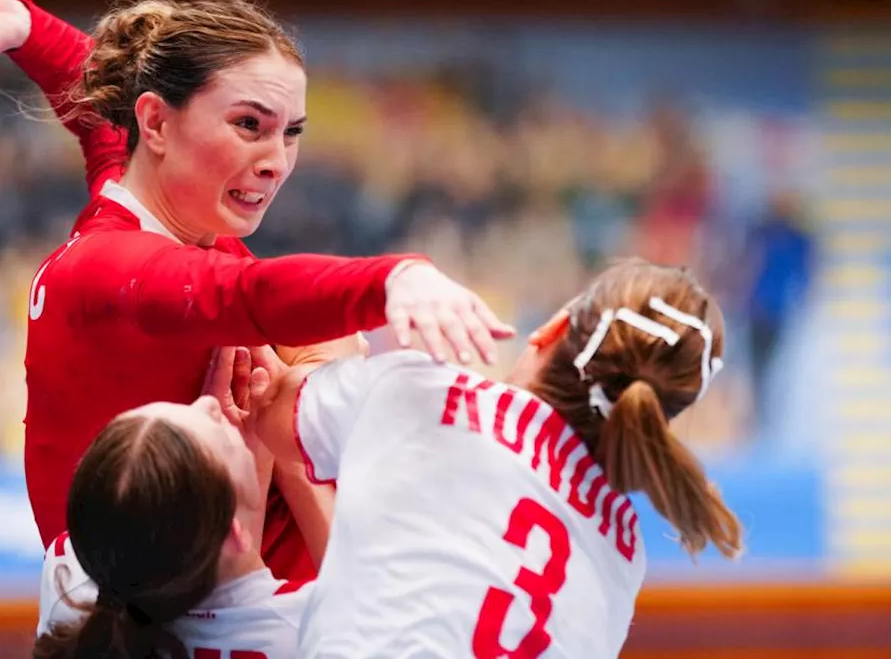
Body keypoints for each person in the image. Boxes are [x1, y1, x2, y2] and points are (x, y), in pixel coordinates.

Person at [0, 0, 514, 581]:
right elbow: (248, 295)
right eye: (250, 125)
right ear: (157, 122)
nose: (277, 161)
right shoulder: (109, 268)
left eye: (291, 132)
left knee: (321, 367)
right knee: (314, 369)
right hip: (170, 627)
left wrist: (26, 27)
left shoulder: (150, 196)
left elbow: (106, 112)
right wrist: (395, 277)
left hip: (238, 592)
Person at [249, 258, 743, 658]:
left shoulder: (434, 395)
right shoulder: (624, 552)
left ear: (552, 329)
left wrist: (332, 351)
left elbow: (270, 409)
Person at [33, 347, 314, 659]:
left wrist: (246, 474)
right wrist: (296, 460)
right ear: (234, 532)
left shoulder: (71, 583)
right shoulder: (304, 631)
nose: (209, 402)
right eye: (218, 433)